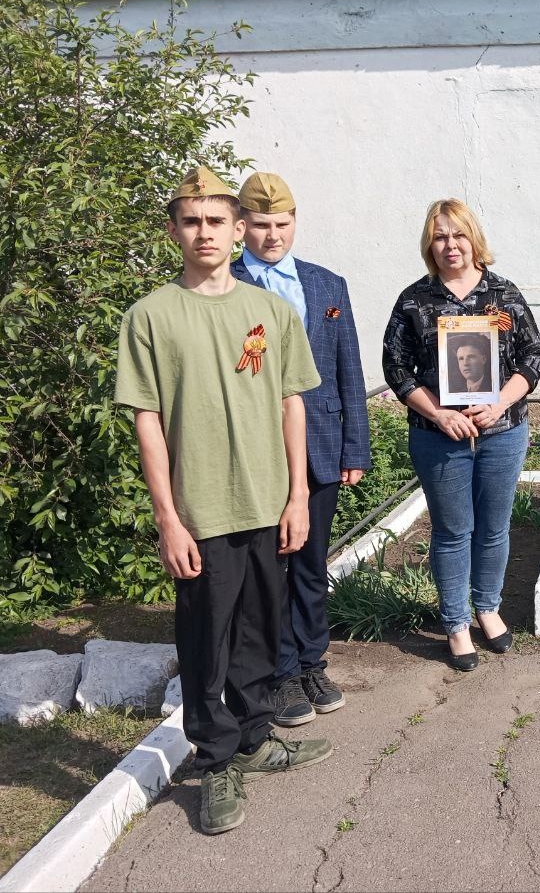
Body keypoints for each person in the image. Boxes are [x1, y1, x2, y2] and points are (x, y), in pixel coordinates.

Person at [115, 167, 332, 836]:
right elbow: (147, 418)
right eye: (191, 221)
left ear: (238, 230)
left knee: (263, 631)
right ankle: (214, 764)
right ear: (173, 230)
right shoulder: (151, 315)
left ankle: (254, 739)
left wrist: (298, 495)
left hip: (269, 503)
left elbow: (292, 403)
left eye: (216, 221)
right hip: (201, 511)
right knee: (207, 639)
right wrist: (168, 518)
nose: (204, 233)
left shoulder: (269, 312)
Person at [231, 172, 371, 728]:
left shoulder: (325, 284)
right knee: (270, 569)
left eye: (281, 224)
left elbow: (348, 369)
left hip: (320, 448)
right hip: (256, 452)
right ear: (242, 226)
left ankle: (313, 661)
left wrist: (354, 445)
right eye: (261, 225)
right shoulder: (226, 283)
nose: (272, 235)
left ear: (295, 223)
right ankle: (282, 672)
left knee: (311, 564)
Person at [382, 198, 540, 671]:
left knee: (493, 528)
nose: (449, 245)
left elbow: (533, 358)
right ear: (428, 244)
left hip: (502, 431)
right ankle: (455, 623)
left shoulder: (505, 295)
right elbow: (396, 368)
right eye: (439, 236)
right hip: (440, 435)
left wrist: (499, 404)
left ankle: (488, 609)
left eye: (457, 235)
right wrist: (438, 414)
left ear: (473, 238)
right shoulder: (415, 300)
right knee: (454, 531)